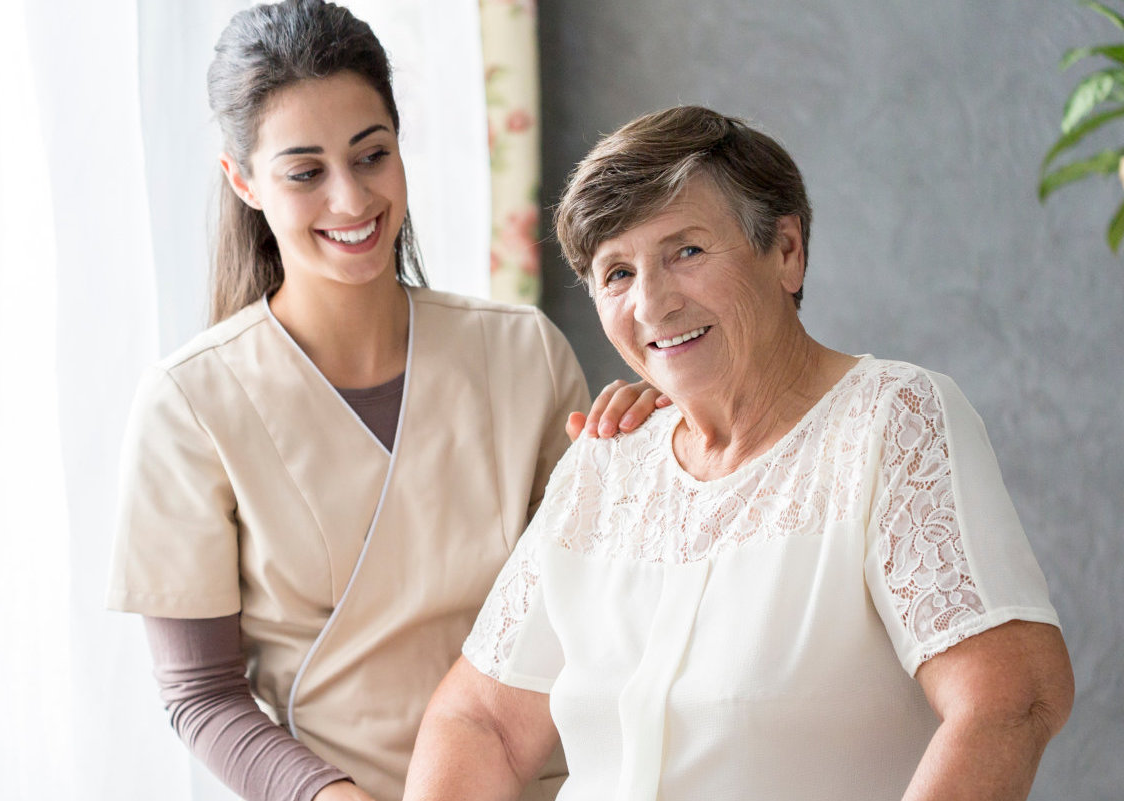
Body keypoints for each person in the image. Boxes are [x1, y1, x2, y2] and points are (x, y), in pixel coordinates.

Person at [403, 106, 1074, 801]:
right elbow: (482, 721)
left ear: (786, 251)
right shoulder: (604, 462)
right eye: (617, 274)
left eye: (685, 251)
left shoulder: (890, 422)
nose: (652, 305)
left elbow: (1011, 698)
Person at [105, 3, 665, 800]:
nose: (350, 198)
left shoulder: (520, 352)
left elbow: (602, 614)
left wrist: (653, 460)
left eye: (372, 155)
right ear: (243, 180)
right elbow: (202, 694)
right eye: (305, 171)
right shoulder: (188, 405)